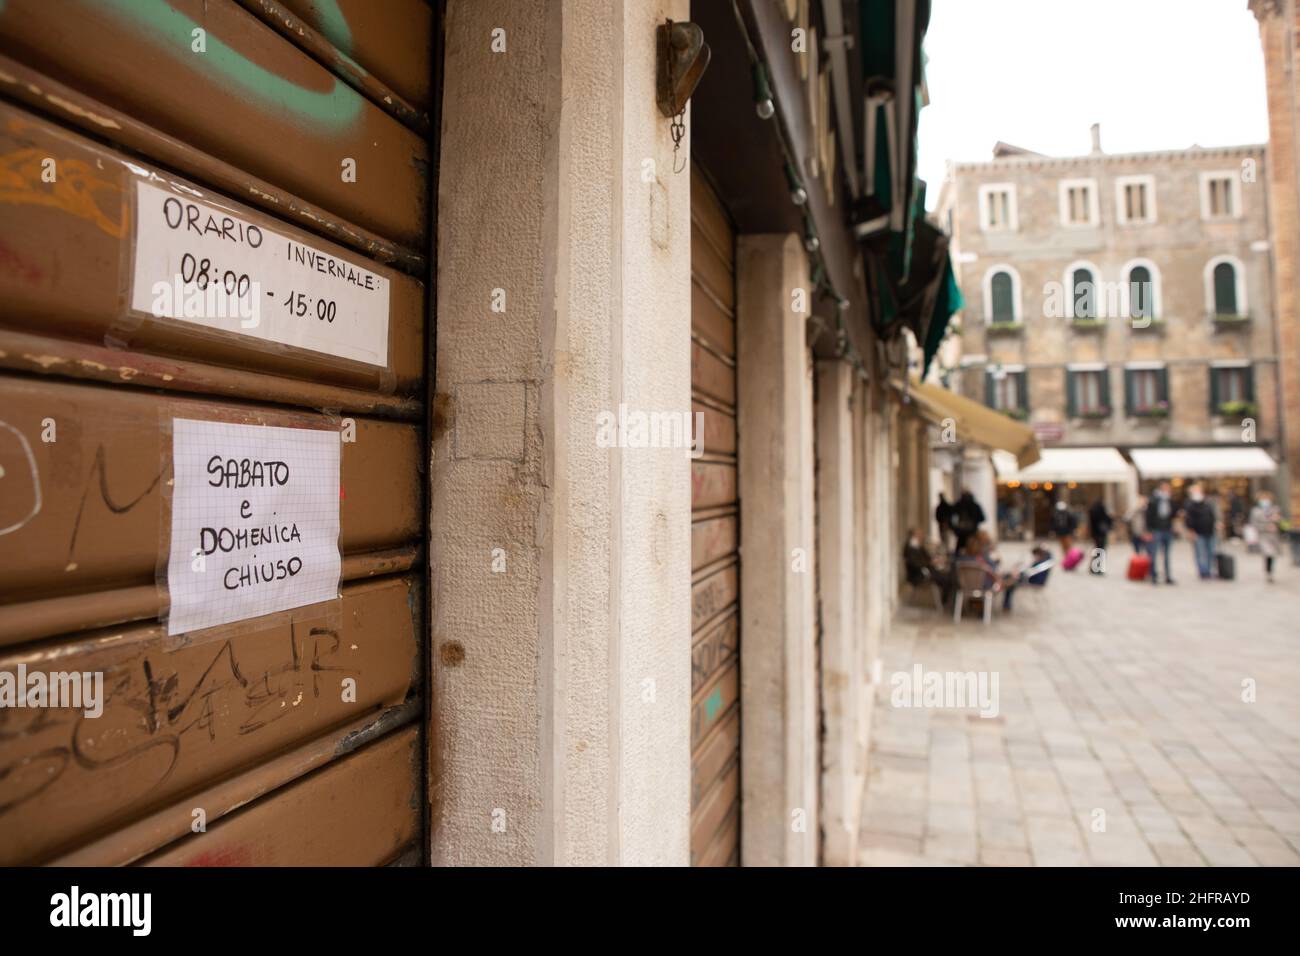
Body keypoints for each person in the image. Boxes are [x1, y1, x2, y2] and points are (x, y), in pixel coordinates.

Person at [903, 528, 954, 605]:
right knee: (945, 579)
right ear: (915, 535)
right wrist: (930, 563)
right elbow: (916, 564)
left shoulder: (918, 546)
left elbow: (927, 557)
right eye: (920, 534)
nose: (922, 536)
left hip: (925, 571)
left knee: (946, 576)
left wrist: (934, 561)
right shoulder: (911, 548)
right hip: (918, 575)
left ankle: (946, 600)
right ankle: (945, 601)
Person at [1145, 481, 1179, 585]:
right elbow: (1148, 516)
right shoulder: (1153, 500)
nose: (1167, 490)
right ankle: (1154, 575)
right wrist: (1149, 530)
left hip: (1167, 529)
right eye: (1165, 488)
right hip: (1156, 530)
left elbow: (1174, 514)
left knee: (1167, 554)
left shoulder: (1170, 500)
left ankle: (1168, 576)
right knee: (1154, 553)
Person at [1183, 483, 1218, 580]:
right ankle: (1203, 571)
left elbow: (1212, 515)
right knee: (1200, 552)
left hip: (1210, 531)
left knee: (1211, 552)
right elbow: (1188, 519)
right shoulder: (1189, 504)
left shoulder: (1207, 502)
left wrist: (1216, 524)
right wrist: (1191, 531)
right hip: (1198, 532)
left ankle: (1210, 570)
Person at [1249, 490, 1284, 583]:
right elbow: (1254, 524)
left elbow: (1282, 523)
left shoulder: (1275, 509)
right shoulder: (1256, 511)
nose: (1265, 501)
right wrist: (1266, 526)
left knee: (1272, 555)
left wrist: (1277, 521)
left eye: (1267, 499)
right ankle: (1268, 573)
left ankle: (1270, 572)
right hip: (1263, 536)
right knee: (1268, 553)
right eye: (1263, 499)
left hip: (1274, 537)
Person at [1088, 499, 1112, 574]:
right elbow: (1108, 519)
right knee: (1101, 551)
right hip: (1101, 534)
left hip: (1095, 534)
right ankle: (1097, 568)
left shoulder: (1092, 511)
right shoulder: (1102, 511)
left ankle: (1094, 568)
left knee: (1097, 551)